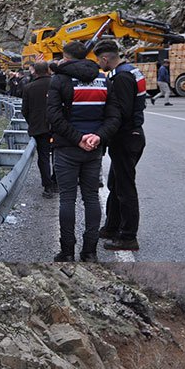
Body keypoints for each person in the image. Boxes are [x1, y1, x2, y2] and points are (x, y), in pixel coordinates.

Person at [46, 41, 122, 262]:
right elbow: (114, 116)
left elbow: (54, 117)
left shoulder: (59, 80)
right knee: (91, 198)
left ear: (65, 57)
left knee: (67, 200)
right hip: (94, 149)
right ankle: (89, 252)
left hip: (67, 148)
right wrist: (97, 136)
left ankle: (67, 252)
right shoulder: (103, 79)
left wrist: (78, 139)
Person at [94, 40, 146, 252]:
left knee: (125, 189)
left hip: (126, 138)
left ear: (105, 58)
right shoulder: (129, 71)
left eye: (99, 60)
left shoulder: (122, 77)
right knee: (115, 186)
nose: (98, 63)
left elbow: (121, 113)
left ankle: (128, 237)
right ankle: (112, 227)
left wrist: (102, 133)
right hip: (128, 137)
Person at [22, 62, 57, 197]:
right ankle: (57, 182)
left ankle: (47, 185)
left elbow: (25, 110)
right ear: (48, 70)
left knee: (43, 157)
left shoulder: (28, 88)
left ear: (35, 72)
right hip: (56, 126)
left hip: (39, 127)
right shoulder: (56, 83)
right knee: (58, 154)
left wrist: (32, 123)